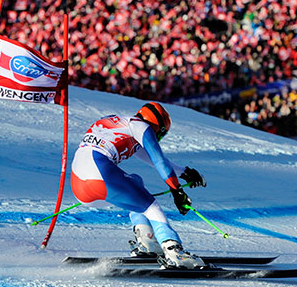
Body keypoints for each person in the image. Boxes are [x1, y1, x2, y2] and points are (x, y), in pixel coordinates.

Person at [70, 102, 207, 268]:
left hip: (79, 184)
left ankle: (147, 241)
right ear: (157, 126)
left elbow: (154, 160)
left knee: (136, 182)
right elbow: (159, 159)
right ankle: (174, 251)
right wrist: (176, 190)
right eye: (160, 135)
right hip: (99, 172)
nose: (157, 139)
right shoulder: (141, 127)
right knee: (151, 207)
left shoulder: (122, 123)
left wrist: (185, 172)